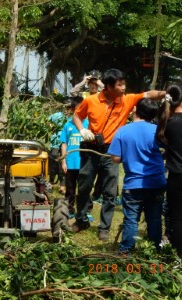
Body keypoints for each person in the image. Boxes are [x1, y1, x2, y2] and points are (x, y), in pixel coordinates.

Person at [72, 68, 166, 241]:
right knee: (84, 186)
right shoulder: (91, 101)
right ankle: (81, 219)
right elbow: (76, 116)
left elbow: (148, 94)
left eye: (124, 84)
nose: (123, 88)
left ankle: (104, 227)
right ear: (108, 86)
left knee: (110, 190)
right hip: (90, 148)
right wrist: (82, 130)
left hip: (111, 150)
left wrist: (165, 94)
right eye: (120, 85)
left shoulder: (127, 100)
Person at [108, 98, 166, 254]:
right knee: (154, 220)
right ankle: (154, 251)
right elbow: (168, 149)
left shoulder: (123, 130)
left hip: (134, 184)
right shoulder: (157, 130)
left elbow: (115, 158)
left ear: (135, 110)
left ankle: (126, 251)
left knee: (131, 220)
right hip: (156, 182)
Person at [71, 70, 105, 203]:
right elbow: (73, 92)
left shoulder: (102, 95)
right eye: (91, 84)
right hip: (84, 129)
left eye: (94, 84)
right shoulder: (84, 95)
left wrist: (99, 82)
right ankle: (85, 195)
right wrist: (84, 81)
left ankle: (97, 193)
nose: (93, 86)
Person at [156, 84, 182, 256]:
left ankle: (180, 255)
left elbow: (160, 143)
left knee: (177, 218)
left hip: (176, 176)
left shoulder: (167, 123)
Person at [60, 96, 91, 219]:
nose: (80, 111)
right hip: (71, 162)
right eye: (78, 108)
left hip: (84, 162)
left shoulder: (88, 124)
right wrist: (63, 161)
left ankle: (86, 210)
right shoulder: (68, 125)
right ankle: (70, 209)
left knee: (85, 188)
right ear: (73, 109)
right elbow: (64, 143)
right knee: (70, 189)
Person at [48, 109, 67, 194]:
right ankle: (51, 184)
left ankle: (62, 186)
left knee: (62, 166)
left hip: (66, 144)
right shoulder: (57, 115)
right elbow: (47, 120)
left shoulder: (71, 117)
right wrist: (52, 127)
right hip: (55, 144)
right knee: (53, 165)